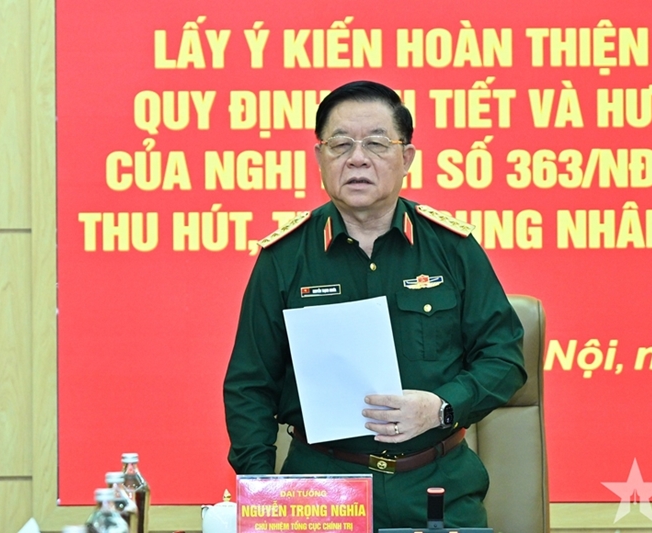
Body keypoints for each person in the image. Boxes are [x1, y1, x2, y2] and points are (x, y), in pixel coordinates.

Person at [223, 80, 526, 530]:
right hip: (322, 488)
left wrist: (442, 406)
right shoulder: (284, 259)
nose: (357, 158)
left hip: (436, 483)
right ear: (319, 157)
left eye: (377, 144)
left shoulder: (451, 248)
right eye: (340, 144)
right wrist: (263, 492)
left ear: (407, 158)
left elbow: (504, 359)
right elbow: (250, 385)